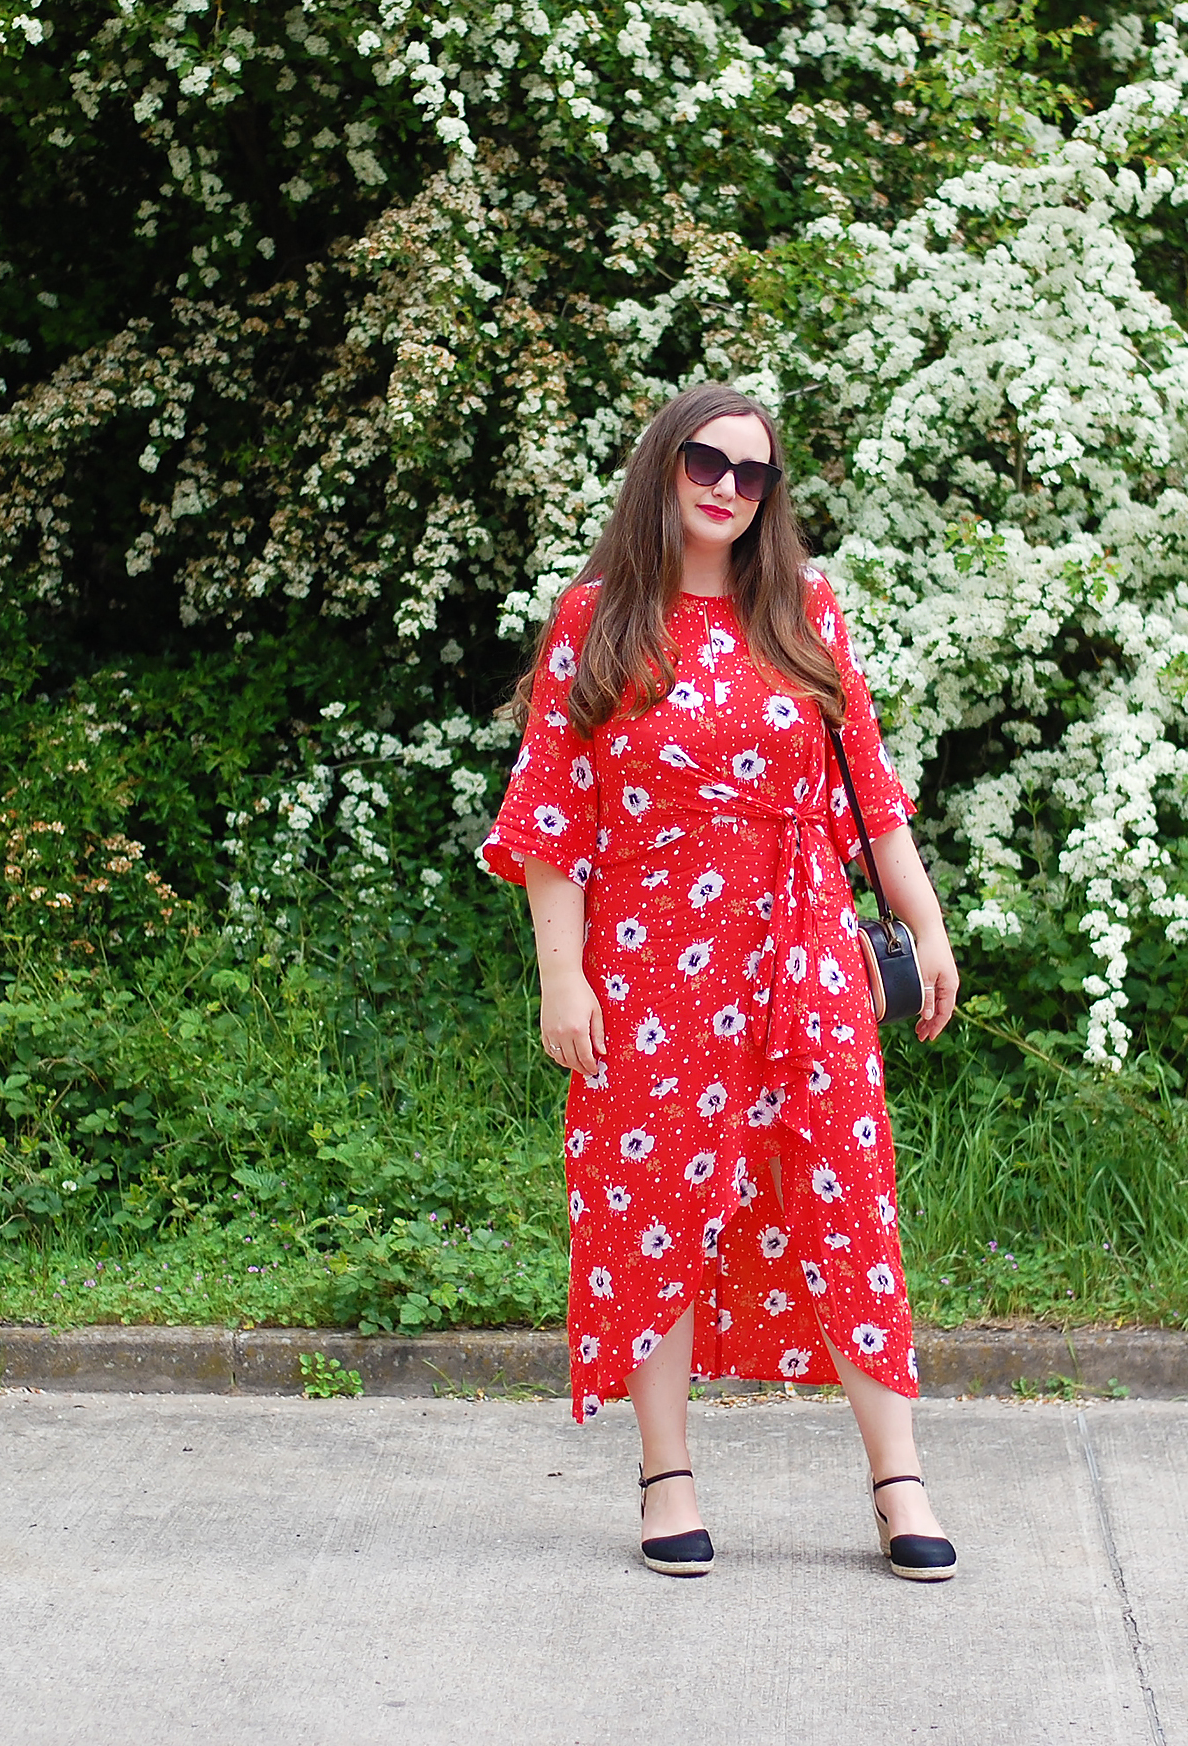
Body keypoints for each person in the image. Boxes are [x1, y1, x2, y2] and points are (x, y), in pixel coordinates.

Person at [481, 384, 961, 1581]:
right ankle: (667, 1471)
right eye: (706, 459)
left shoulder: (803, 610)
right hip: (648, 963)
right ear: (664, 464)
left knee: (847, 1193)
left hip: (806, 952)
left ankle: (899, 1477)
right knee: (649, 1204)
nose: (728, 487)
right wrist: (562, 980)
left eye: (754, 473)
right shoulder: (597, 620)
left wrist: (927, 925)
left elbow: (873, 792)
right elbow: (552, 820)